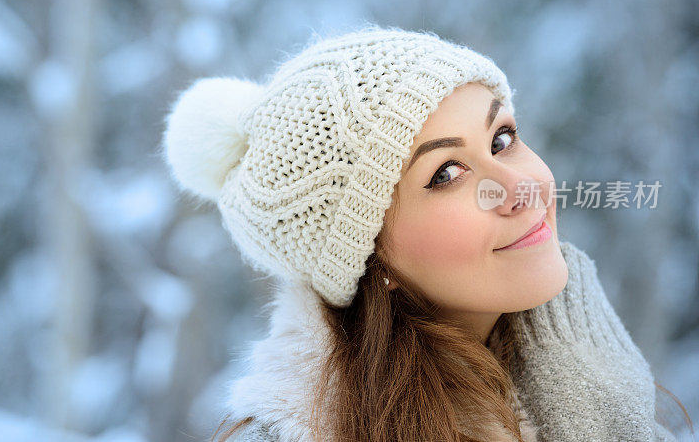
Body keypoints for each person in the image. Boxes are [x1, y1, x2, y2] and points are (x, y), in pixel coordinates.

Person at [162, 25, 689, 441]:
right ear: (371, 261)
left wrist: (598, 401)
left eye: (502, 139)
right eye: (447, 174)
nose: (519, 188)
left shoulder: (582, 359)